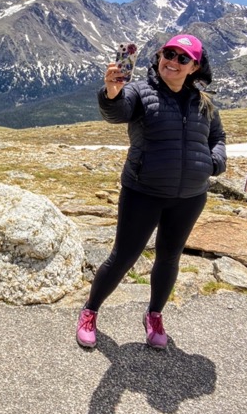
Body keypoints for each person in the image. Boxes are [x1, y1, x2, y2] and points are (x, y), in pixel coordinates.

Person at [76, 34, 227, 350]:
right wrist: (112, 92)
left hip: (190, 196)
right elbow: (117, 112)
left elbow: (218, 138)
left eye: (181, 58)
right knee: (123, 257)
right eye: (167, 54)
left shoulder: (204, 102)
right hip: (143, 191)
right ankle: (89, 310)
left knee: (169, 258)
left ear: (194, 66)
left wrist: (212, 164)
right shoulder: (140, 92)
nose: (172, 61)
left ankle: (154, 315)